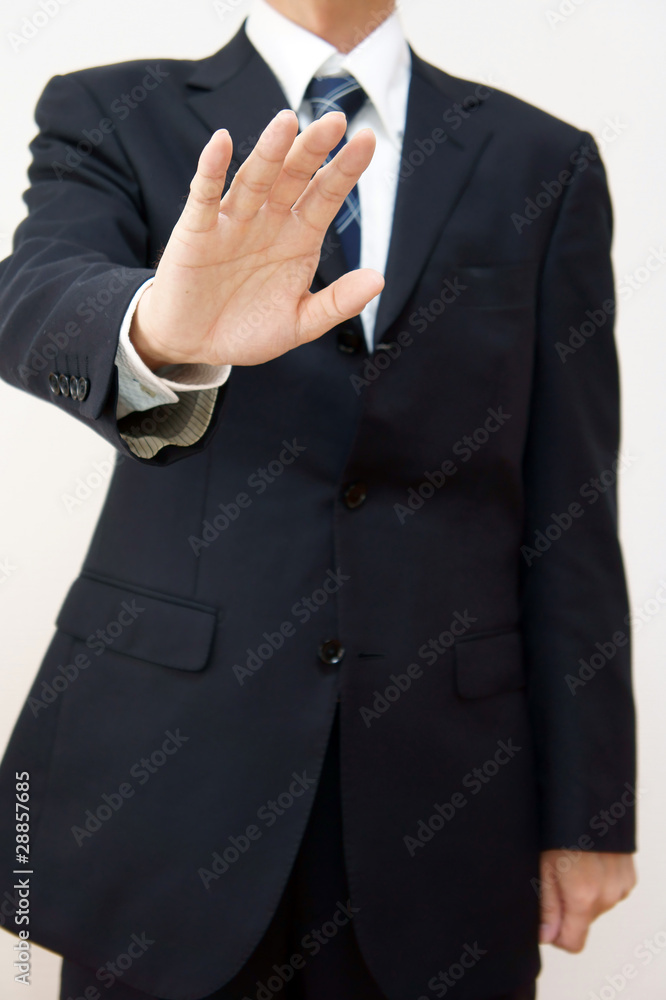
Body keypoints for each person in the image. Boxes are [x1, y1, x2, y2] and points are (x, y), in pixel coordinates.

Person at [0, 1, 637, 998]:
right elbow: (34, 295)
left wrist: (590, 810)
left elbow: (573, 504)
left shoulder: (542, 161)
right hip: (169, 782)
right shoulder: (114, 109)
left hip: (446, 787)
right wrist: (163, 331)